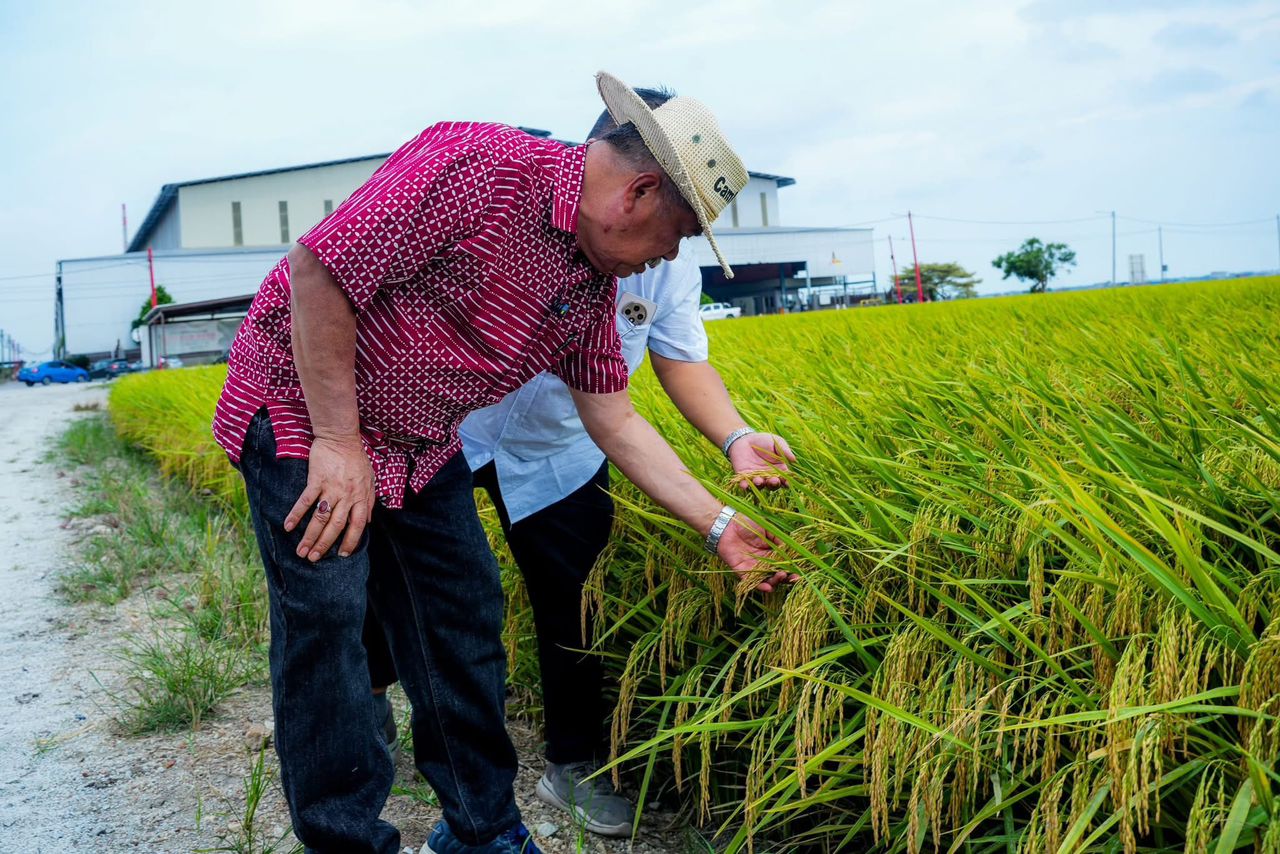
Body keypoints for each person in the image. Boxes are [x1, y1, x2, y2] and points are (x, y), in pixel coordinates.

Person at [213, 71, 793, 854]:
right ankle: (344, 841)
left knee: (463, 615)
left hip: (421, 438)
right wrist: (340, 442)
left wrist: (720, 525)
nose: (670, 255)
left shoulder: (591, 283)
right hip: (303, 409)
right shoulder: (478, 165)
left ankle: (482, 833)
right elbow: (319, 268)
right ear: (639, 193)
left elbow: (615, 419)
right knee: (330, 622)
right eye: (680, 234)